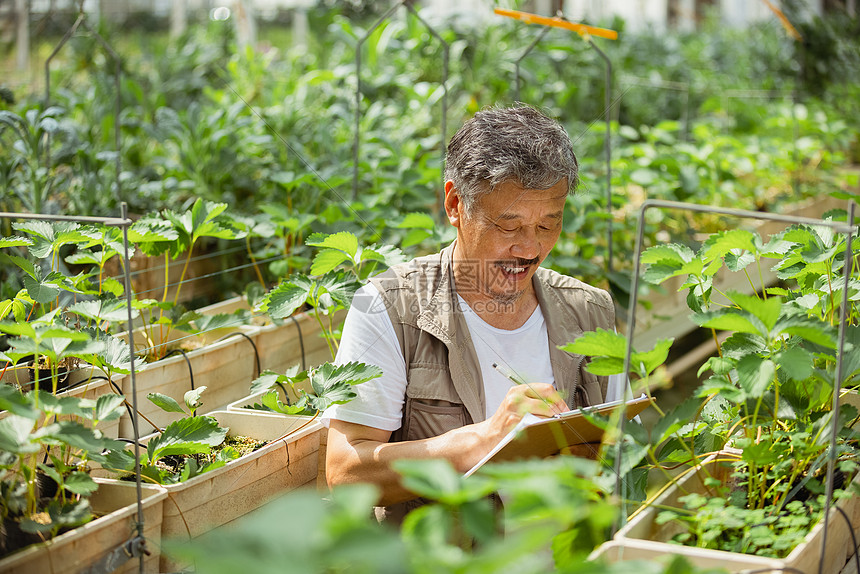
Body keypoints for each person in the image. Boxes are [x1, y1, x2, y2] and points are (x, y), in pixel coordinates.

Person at [322, 104, 621, 522]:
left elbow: (622, 453)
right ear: (454, 204)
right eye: (508, 225)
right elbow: (346, 473)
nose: (529, 249)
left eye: (548, 224)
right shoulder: (390, 308)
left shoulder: (589, 311)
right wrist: (481, 441)